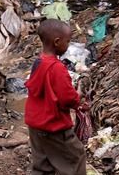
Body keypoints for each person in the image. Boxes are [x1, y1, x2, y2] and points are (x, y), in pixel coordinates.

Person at [24, 19, 89, 175]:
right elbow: (67, 98)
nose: (68, 45)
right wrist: (78, 97)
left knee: (42, 164)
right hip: (53, 126)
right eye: (68, 41)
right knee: (75, 158)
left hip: (35, 124)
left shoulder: (38, 62)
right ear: (57, 42)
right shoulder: (57, 68)